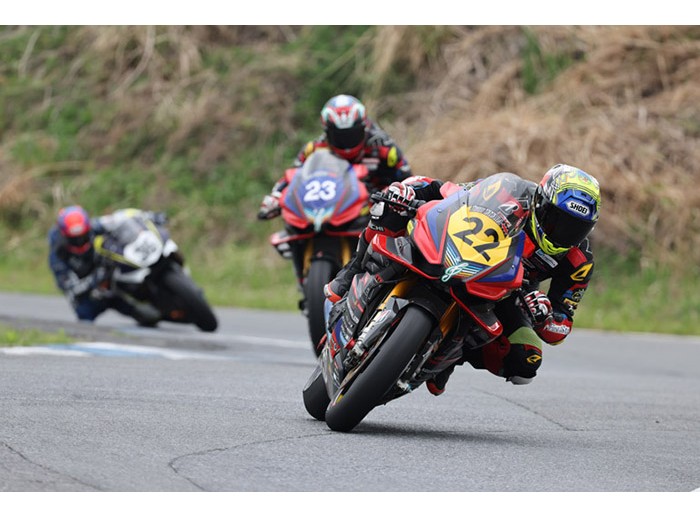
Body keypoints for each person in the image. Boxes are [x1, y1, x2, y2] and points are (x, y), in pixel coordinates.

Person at [323, 164, 602, 394]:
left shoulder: (579, 260)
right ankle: (350, 274)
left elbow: (561, 325)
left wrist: (544, 315)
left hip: (509, 292)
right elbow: (452, 193)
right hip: (459, 250)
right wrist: (409, 191)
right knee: (390, 209)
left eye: (576, 228)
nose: (563, 233)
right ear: (540, 203)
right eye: (557, 220)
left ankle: (450, 356)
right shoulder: (511, 191)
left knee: (526, 358)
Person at [257, 93, 412, 221]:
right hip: (327, 211)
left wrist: (393, 195)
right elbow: (293, 175)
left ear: (363, 127)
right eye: (339, 135)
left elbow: (407, 178)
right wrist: (275, 196)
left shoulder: (383, 146)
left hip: (375, 209)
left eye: (352, 134)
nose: (347, 141)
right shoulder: (315, 147)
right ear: (327, 132)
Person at [47, 205, 167, 325]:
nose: (80, 241)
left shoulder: (94, 227)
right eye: (75, 239)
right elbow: (70, 288)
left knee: (152, 317)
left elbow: (121, 218)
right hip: (90, 295)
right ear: (64, 235)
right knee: (85, 320)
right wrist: (95, 278)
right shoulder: (57, 257)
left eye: (83, 236)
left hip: (111, 275)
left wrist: (150, 217)